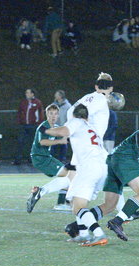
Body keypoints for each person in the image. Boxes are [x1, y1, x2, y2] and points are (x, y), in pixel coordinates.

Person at [45, 104, 109, 247]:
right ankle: (83, 235)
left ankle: (99, 234)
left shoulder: (76, 122)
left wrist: (46, 130)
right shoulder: (92, 127)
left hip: (89, 167)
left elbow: (64, 131)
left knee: (78, 207)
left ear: (74, 115)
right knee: (77, 201)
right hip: (102, 168)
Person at [26, 103, 71, 213]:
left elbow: (66, 135)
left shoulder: (55, 127)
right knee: (68, 175)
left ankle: (62, 202)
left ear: (58, 115)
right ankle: (60, 202)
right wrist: (60, 141)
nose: (53, 116)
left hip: (46, 158)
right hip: (40, 158)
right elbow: (42, 142)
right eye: (51, 113)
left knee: (68, 176)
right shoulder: (43, 127)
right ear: (46, 114)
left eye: (55, 114)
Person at [14, 88, 44, 165]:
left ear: (32, 94)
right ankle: (18, 159)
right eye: (26, 93)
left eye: (28, 93)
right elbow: (19, 113)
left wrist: (39, 124)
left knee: (32, 143)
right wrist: (19, 122)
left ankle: (31, 159)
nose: (26, 94)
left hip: (33, 125)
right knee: (20, 141)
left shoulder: (37, 102)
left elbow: (40, 114)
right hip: (24, 125)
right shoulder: (23, 102)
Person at [51, 90, 71, 162]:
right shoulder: (53, 105)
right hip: (55, 127)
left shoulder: (68, 106)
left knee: (63, 144)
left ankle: (62, 159)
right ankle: (52, 159)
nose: (55, 96)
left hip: (64, 127)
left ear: (61, 96)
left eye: (57, 95)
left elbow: (70, 117)